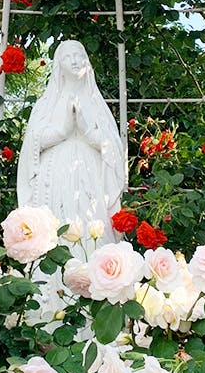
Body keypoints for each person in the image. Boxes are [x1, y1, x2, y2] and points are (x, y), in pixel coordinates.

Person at [16, 41, 125, 246]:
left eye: (79, 54)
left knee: (92, 233)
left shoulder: (97, 105)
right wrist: (61, 131)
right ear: (58, 64)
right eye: (68, 56)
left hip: (91, 181)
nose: (74, 60)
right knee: (55, 230)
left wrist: (88, 131)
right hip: (54, 179)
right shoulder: (46, 104)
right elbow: (32, 145)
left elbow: (112, 148)